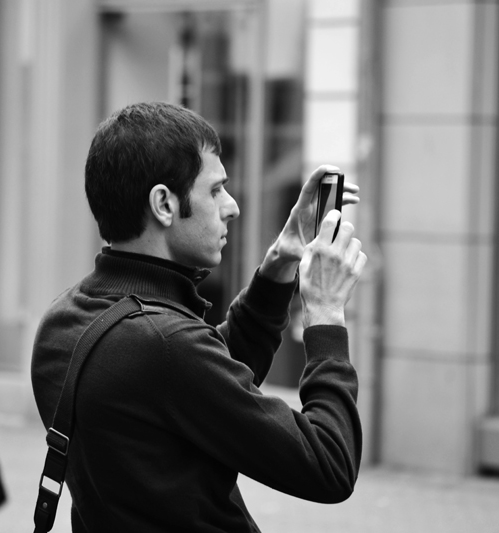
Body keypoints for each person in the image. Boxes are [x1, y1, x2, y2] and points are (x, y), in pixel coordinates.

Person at [31, 101, 367, 532]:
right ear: (164, 204)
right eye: (215, 190)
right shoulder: (165, 346)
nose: (232, 206)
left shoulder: (62, 321)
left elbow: (202, 386)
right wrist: (325, 312)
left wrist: (279, 264)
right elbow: (329, 464)